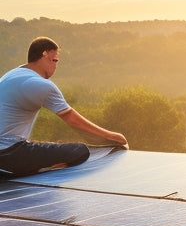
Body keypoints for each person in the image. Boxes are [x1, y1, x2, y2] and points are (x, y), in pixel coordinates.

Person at [0, 37, 128, 177]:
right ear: (45, 55)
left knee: (48, 147)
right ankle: (35, 170)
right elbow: (73, 120)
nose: (55, 66)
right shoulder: (42, 85)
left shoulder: (12, 75)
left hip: (8, 150)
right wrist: (112, 136)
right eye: (54, 60)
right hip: (9, 154)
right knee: (80, 151)